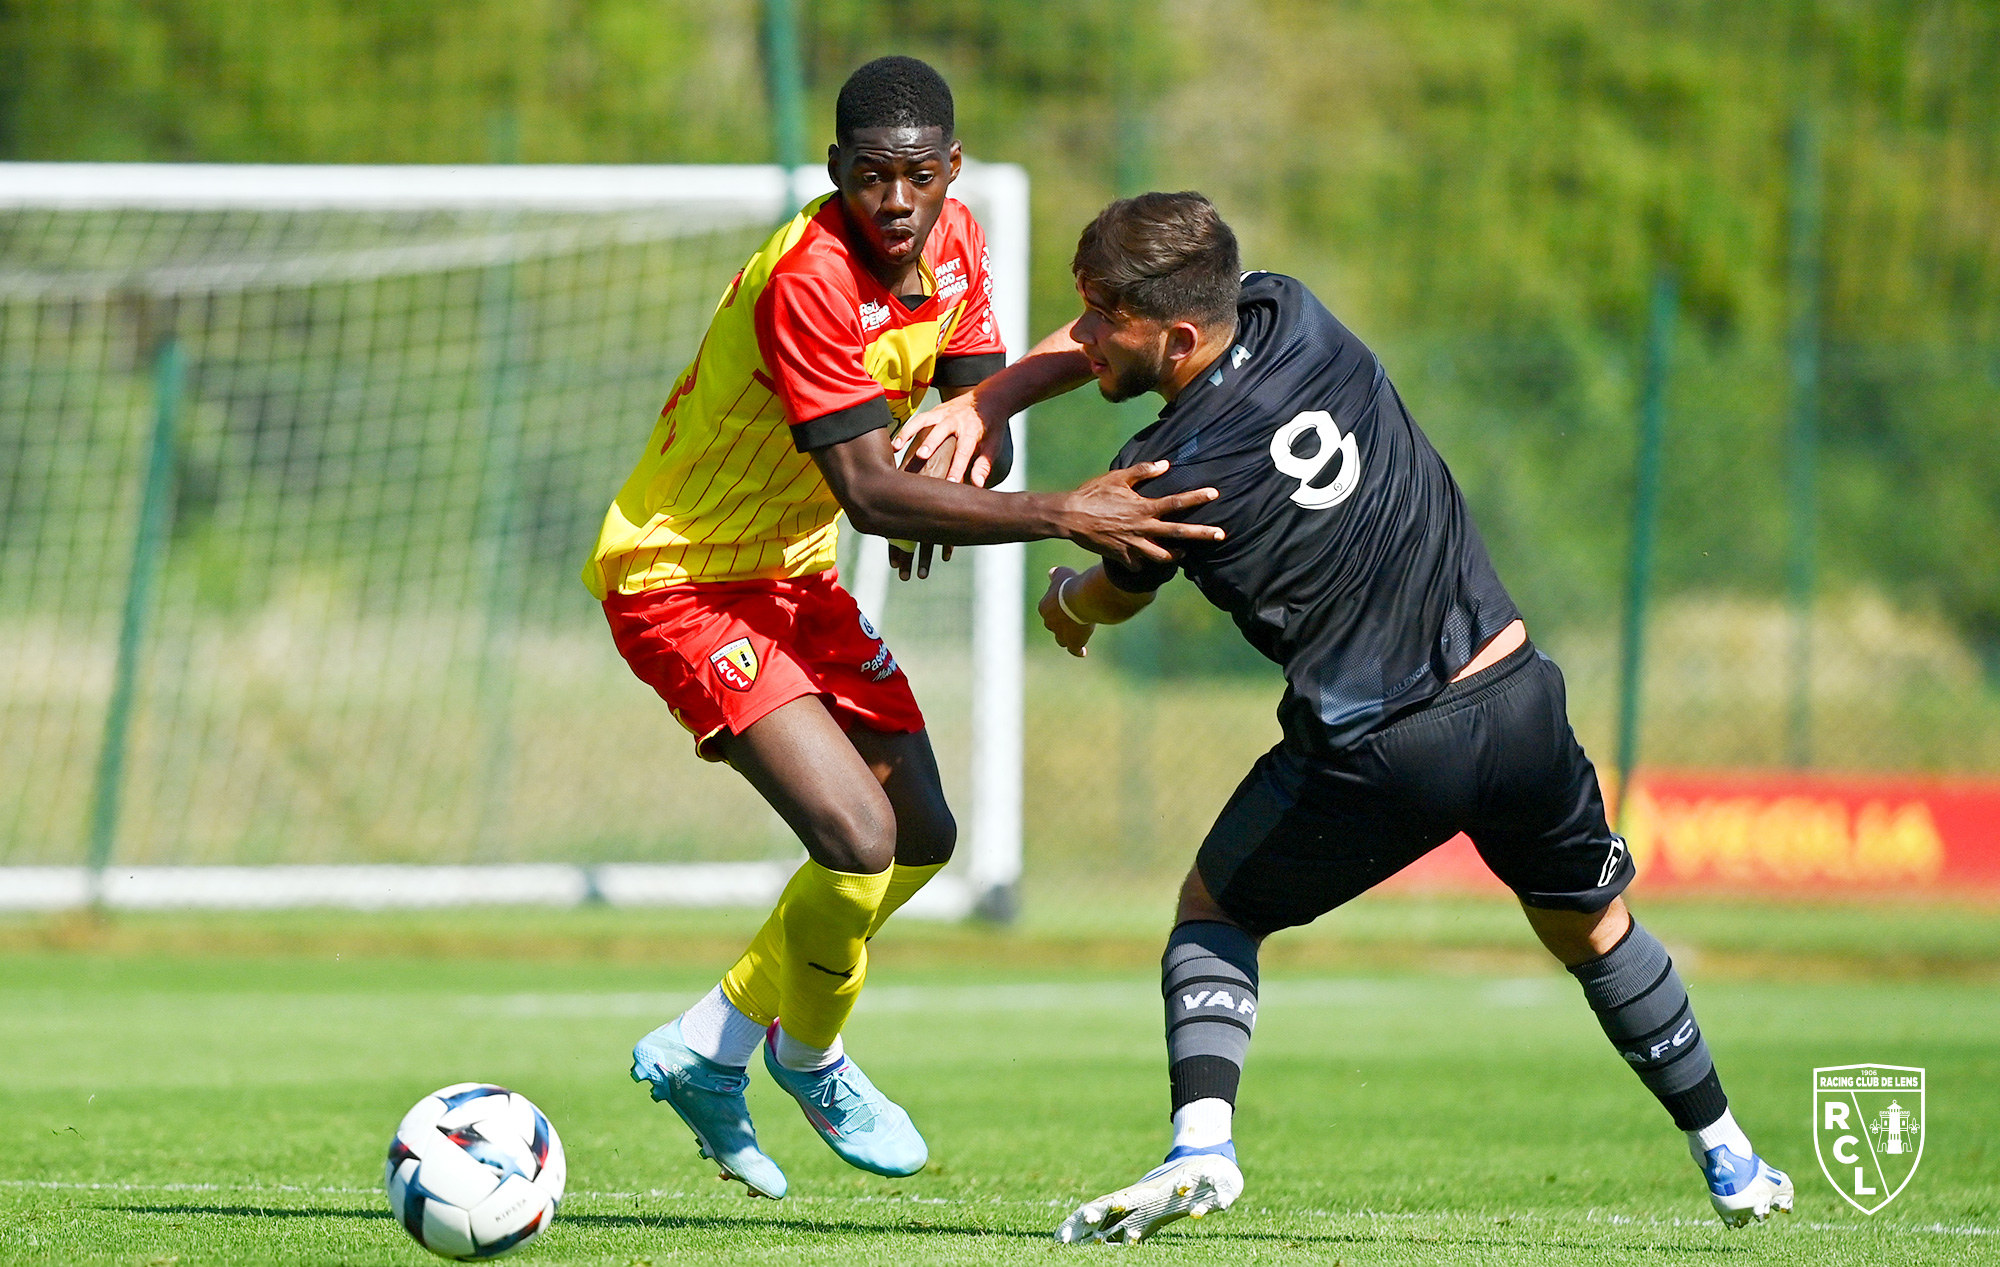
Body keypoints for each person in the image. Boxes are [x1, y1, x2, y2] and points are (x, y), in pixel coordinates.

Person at [923, 191, 1793, 1242]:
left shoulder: (1159, 481)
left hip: (1386, 751)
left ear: (1180, 335)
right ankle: (1731, 1157)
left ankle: (1201, 1147)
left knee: (1214, 913)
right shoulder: (1294, 313)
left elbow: (1104, 597)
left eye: (1105, 317)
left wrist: (1065, 601)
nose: (1088, 337)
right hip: (1515, 698)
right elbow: (1170, 336)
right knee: (1592, 927)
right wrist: (996, 399)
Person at [581, 62, 1222, 1201]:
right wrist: (1059, 512)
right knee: (855, 835)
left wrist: (962, 461)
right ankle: (805, 1054)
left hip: (790, 572)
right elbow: (874, 498)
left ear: (949, 172)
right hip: (678, 577)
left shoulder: (962, 244)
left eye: (917, 175)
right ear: (835, 173)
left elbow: (975, 416)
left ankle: (711, 1044)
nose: (895, 198)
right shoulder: (809, 280)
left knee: (921, 832)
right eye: (870, 175)